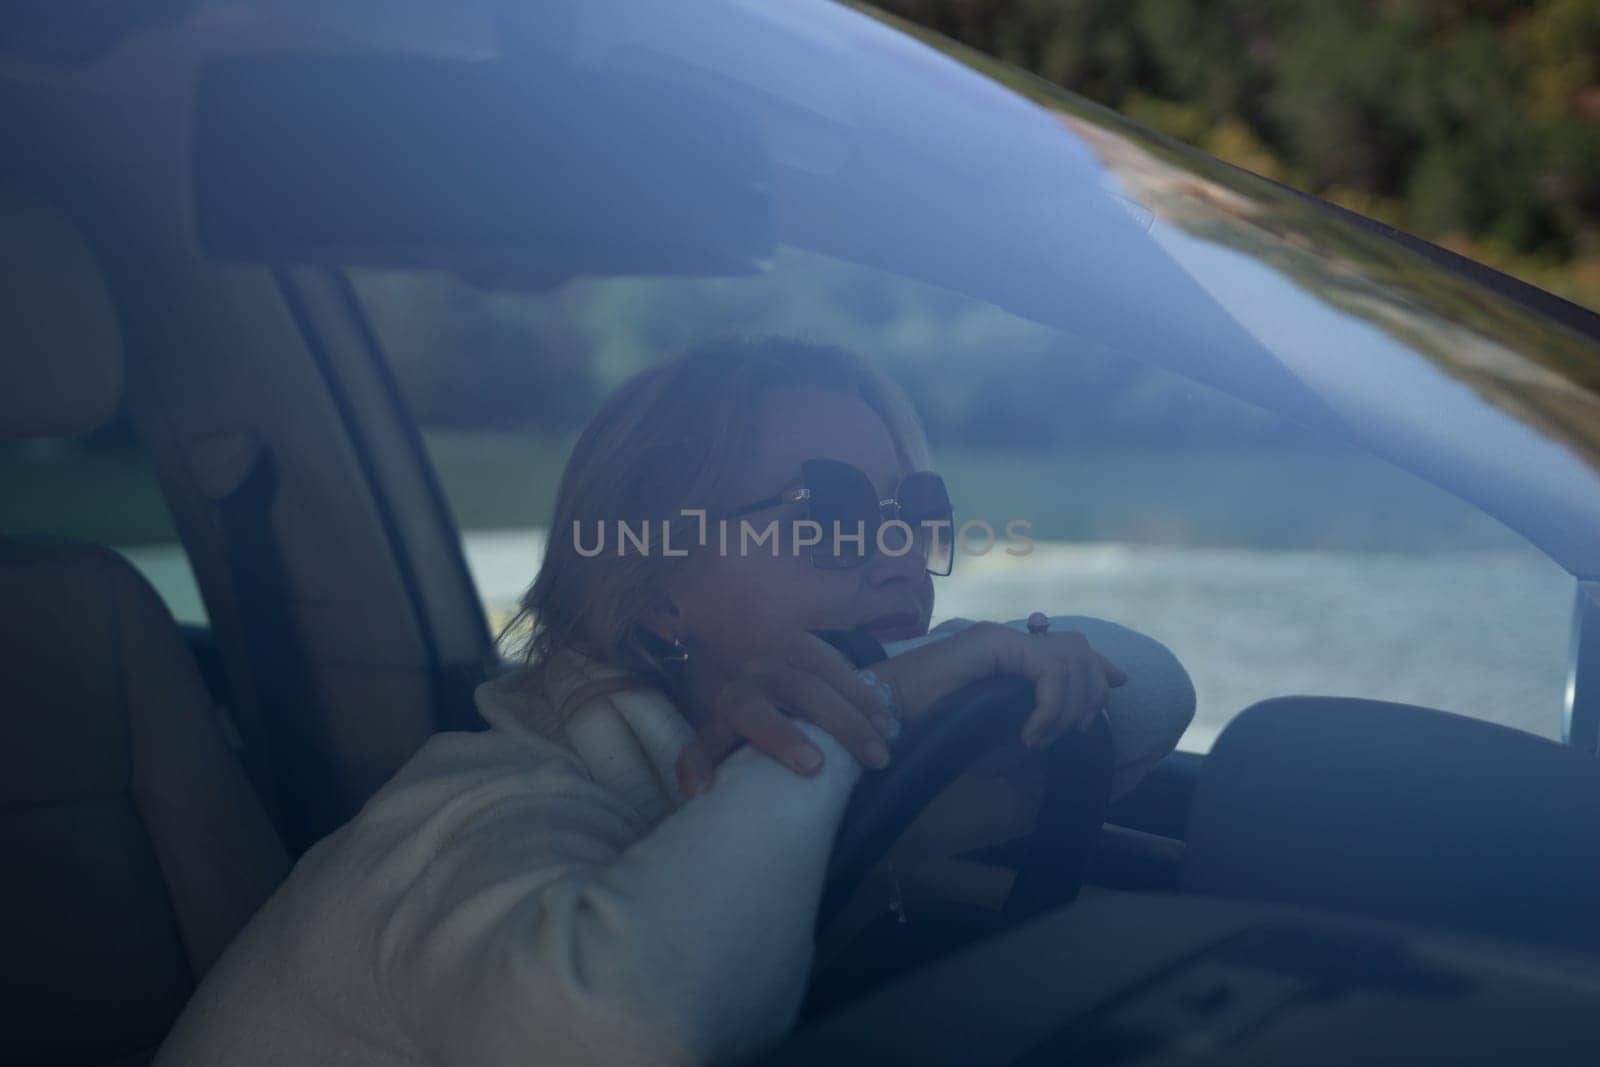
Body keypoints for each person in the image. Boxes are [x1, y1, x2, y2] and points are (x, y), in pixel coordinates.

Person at [156, 337, 1193, 1067]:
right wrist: (842, 721)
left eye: (911, 513)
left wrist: (914, 687)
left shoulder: (856, 764)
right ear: (656, 592)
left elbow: (1146, 699)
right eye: (829, 514)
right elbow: (625, 1039)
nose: (893, 559)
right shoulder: (474, 817)